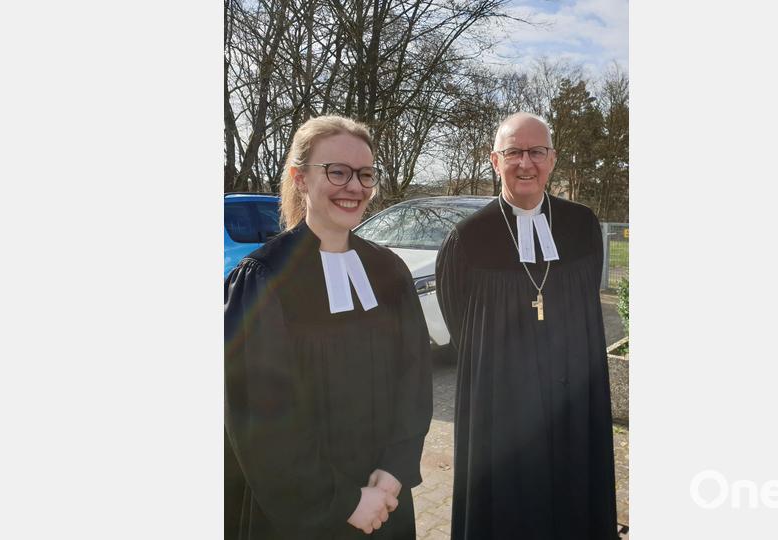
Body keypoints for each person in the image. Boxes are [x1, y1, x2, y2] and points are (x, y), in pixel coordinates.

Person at [224, 115, 433, 539]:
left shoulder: (390, 271)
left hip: (385, 500)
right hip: (298, 512)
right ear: (300, 178)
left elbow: (416, 380)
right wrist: (345, 503)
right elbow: (259, 417)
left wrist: (395, 471)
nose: (354, 187)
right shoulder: (263, 277)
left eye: (365, 174)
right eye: (336, 171)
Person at [436, 112, 618, 539]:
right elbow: (458, 319)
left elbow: (587, 301)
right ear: (495, 161)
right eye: (513, 152)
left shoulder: (582, 225)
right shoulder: (467, 238)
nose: (526, 163)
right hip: (501, 405)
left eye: (537, 152)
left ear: (552, 159)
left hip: (575, 396)